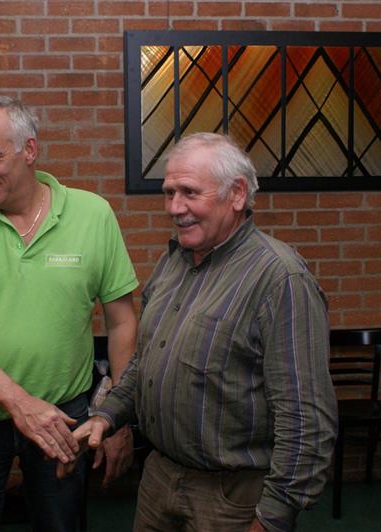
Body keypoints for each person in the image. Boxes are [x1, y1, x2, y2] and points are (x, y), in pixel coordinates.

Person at [67, 132, 338, 531]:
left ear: (237, 194)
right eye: (169, 193)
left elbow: (306, 419)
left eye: (190, 193)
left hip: (231, 498)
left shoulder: (280, 279)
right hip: (159, 480)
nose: (174, 208)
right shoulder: (173, 263)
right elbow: (147, 361)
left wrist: (274, 518)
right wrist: (107, 416)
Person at [0, 95, 138, 532]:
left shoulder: (92, 214)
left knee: (61, 524)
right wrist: (21, 404)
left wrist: (117, 415)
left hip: (65, 416)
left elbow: (122, 322)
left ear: (30, 150)